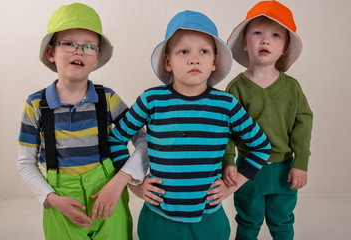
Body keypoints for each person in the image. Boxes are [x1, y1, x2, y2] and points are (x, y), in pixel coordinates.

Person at [107, 10, 271, 240]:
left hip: (209, 219)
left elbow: (261, 146)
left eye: (203, 51)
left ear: (214, 62)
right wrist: (135, 184)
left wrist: (231, 187)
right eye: (183, 51)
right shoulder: (151, 101)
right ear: (168, 62)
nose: (194, 58)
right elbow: (115, 138)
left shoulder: (226, 105)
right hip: (157, 218)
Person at [17, 3, 148, 239]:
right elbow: (26, 162)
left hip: (108, 197)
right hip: (61, 203)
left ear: (96, 58)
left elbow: (144, 139)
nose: (79, 51)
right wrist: (52, 199)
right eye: (68, 43)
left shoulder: (107, 98)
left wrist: (120, 181)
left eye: (89, 46)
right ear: (50, 53)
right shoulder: (35, 105)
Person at [223, 1, 313, 239]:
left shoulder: (292, 87)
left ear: (284, 47)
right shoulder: (236, 88)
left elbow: (303, 124)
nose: (265, 40)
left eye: (275, 35)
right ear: (245, 42)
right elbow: (225, 131)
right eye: (257, 33)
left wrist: (301, 162)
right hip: (248, 170)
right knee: (248, 221)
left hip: (285, 168)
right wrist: (228, 162)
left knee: (282, 221)